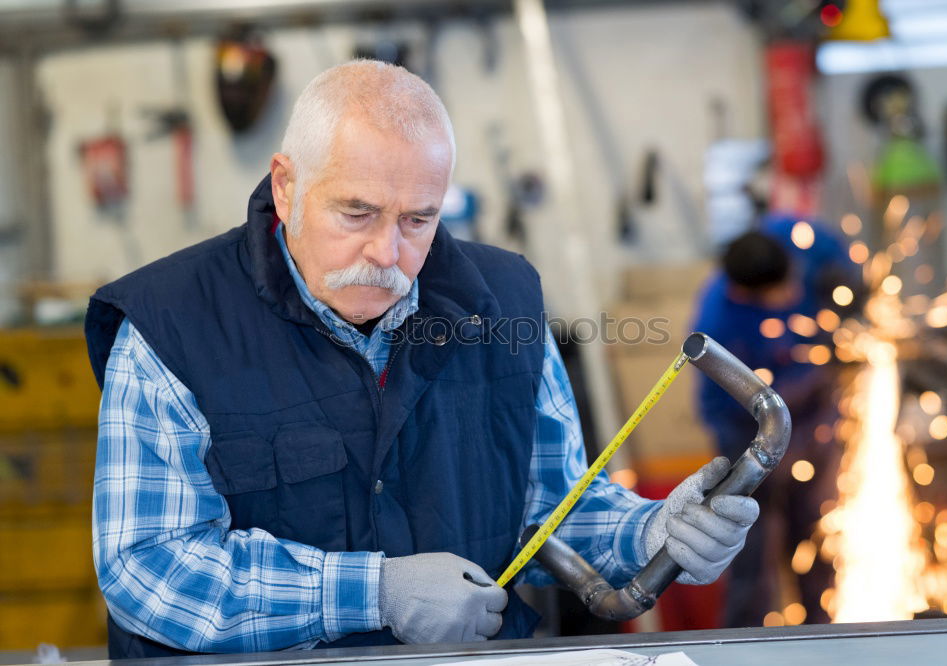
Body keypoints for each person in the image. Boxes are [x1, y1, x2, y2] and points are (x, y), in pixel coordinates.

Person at [85, 60, 760, 658]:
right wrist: (374, 594)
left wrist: (651, 533)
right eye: (357, 213)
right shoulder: (172, 325)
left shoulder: (504, 303)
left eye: (418, 219)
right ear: (286, 187)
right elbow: (150, 569)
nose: (387, 253)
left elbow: (547, 506)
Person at [691, 214, 859, 627]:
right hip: (744, 432)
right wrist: (817, 375)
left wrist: (851, 292)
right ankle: (744, 639)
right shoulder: (719, 325)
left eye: (791, 281)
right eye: (777, 294)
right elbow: (742, 403)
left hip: (812, 420)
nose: (790, 295)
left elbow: (847, 269)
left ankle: (826, 630)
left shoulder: (799, 238)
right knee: (752, 548)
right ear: (744, 292)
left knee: (817, 529)